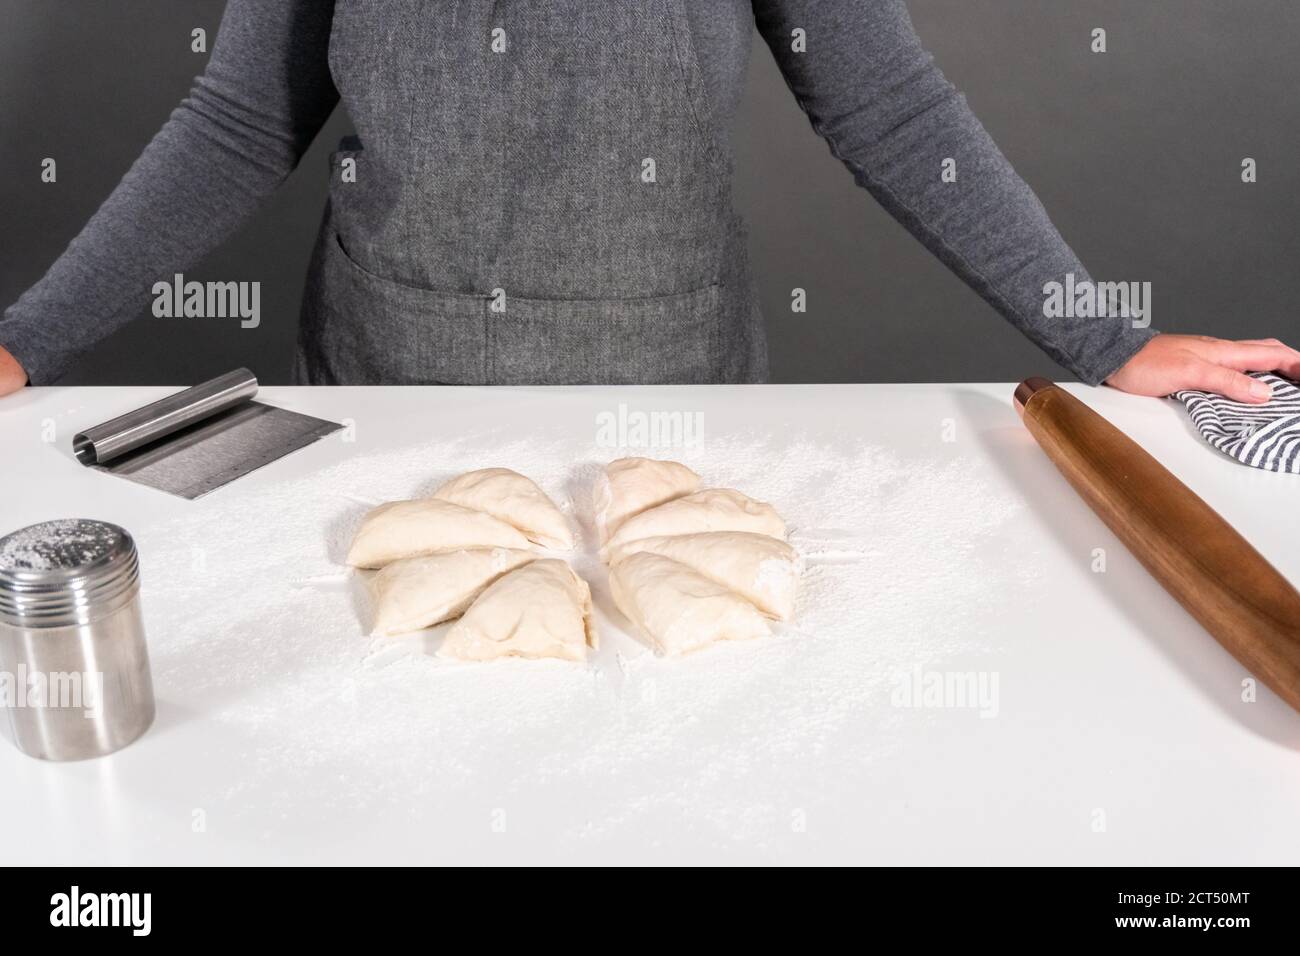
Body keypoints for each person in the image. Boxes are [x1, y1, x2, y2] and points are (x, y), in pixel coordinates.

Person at [2, 1, 1297, 397]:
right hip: (385, 387)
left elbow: (892, 110)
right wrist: (26, 340)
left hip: (669, 398)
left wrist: (1101, 338)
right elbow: (240, 121)